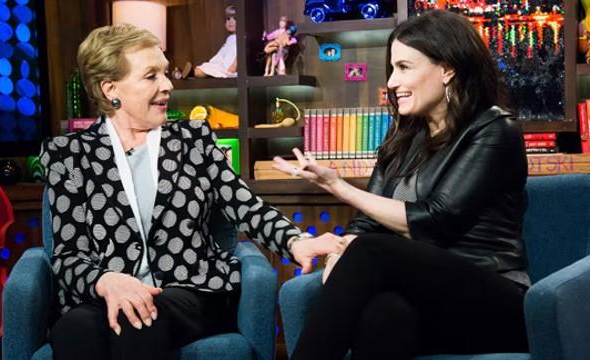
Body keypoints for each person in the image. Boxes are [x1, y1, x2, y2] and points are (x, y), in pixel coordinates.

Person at [42, 23, 334, 360]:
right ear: (110, 88)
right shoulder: (69, 155)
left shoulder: (193, 140)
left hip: (190, 292)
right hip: (104, 296)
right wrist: (107, 281)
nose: (167, 85)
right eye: (151, 76)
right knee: (73, 329)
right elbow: (68, 253)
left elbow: (244, 205)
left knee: (140, 318)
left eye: (165, 73)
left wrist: (296, 241)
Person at [273, 10, 530, 359]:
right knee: (384, 314)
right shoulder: (403, 138)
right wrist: (339, 252)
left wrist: (339, 188)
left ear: (447, 69)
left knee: (368, 252)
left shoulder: (494, 130)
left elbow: (436, 221)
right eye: (392, 68)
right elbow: (367, 223)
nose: (392, 82)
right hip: (430, 303)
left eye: (405, 67)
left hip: (493, 299)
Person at [194, 5, 237, 78]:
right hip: (223, 65)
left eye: (234, 18)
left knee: (200, 71)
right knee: (201, 68)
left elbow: (240, 54)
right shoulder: (230, 38)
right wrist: (213, 63)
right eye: (228, 19)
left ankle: (205, 73)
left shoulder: (242, 38)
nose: (230, 22)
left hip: (230, 69)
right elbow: (222, 53)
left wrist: (234, 66)